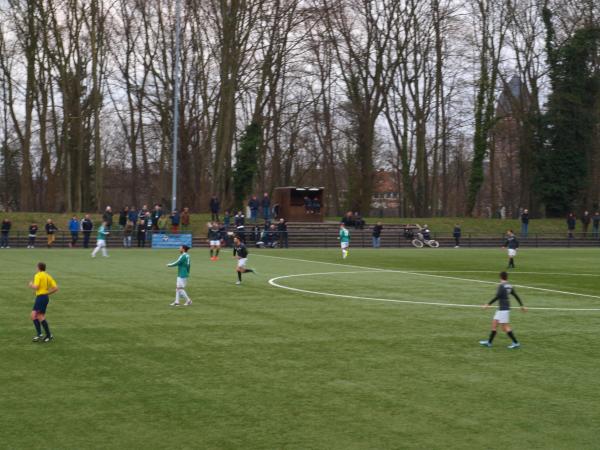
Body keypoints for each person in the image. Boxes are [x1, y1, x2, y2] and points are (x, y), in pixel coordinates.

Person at [479, 271, 527, 349]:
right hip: (502, 308)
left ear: (500, 277)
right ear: (506, 277)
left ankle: (516, 343)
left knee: (504, 327)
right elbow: (516, 295)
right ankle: (489, 342)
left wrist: (487, 305)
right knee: (494, 323)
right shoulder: (509, 286)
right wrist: (521, 305)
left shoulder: (501, 286)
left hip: (503, 309)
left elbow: (497, 296)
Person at [29, 262, 58, 343]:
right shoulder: (48, 276)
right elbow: (56, 288)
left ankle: (47, 335)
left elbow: (36, 286)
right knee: (34, 315)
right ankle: (40, 334)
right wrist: (47, 293)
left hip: (41, 298)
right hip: (44, 297)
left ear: (38, 268)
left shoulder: (38, 275)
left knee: (38, 316)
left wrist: (31, 284)